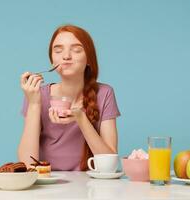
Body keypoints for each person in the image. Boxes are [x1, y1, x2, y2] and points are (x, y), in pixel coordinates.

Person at [18, 24, 120, 171]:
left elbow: (109, 165)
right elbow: (28, 165)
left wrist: (81, 118)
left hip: (90, 186)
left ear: (89, 59)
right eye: (58, 50)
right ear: (52, 60)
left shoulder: (105, 93)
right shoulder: (36, 94)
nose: (66, 56)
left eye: (76, 49)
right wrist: (34, 104)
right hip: (47, 185)